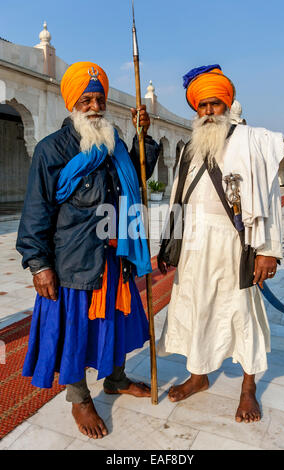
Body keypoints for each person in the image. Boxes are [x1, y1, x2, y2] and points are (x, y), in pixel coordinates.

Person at [16, 61, 160, 439]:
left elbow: (137, 174)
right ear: (72, 103)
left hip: (114, 256)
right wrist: (38, 264)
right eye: (86, 99)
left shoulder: (113, 144)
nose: (94, 106)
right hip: (72, 261)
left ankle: (115, 379)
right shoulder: (52, 149)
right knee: (74, 331)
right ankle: (79, 398)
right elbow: (36, 210)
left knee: (112, 320)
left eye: (99, 99)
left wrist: (143, 136)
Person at [157, 64, 283, 424]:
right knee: (197, 310)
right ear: (195, 110)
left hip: (235, 246)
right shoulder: (188, 148)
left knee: (241, 315)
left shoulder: (250, 142)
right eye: (202, 106)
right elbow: (176, 197)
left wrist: (268, 250)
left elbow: (269, 196)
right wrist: (170, 244)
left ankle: (248, 388)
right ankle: (198, 376)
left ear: (226, 106)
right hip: (195, 246)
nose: (209, 112)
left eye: (214, 104)